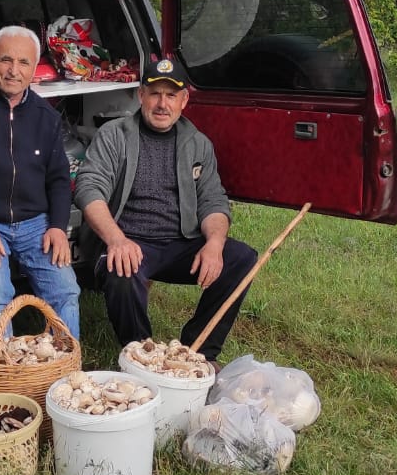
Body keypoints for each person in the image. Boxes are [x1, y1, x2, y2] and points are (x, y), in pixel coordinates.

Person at [73, 57, 258, 365]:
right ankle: (142, 358)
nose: (162, 104)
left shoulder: (198, 143)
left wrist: (214, 243)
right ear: (141, 95)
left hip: (179, 243)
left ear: (184, 100)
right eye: (155, 93)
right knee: (122, 270)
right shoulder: (114, 135)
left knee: (242, 259)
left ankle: (198, 352)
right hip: (128, 240)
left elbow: (213, 200)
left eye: (171, 95)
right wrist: (116, 240)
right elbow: (89, 188)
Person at [0, 26, 81, 348]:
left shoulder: (45, 117)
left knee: (66, 290)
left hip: (36, 222)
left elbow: (59, 179)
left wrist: (58, 228)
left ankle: (62, 374)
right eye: (6, 60)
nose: (14, 70)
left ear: (34, 68)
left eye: (23, 62)